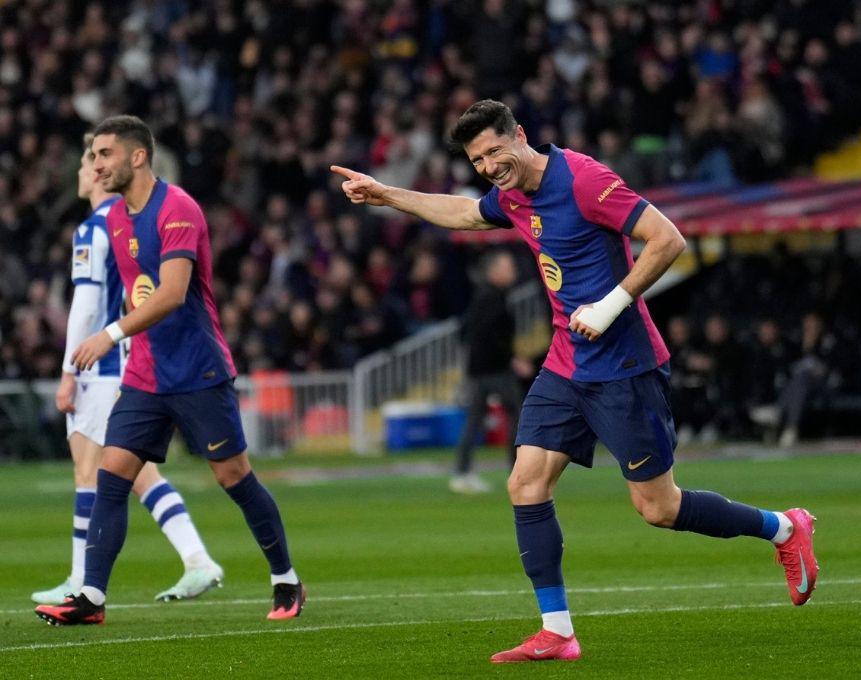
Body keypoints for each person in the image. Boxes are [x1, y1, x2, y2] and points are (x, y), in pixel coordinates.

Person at [331, 99, 819, 663]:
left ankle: (784, 529)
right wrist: (386, 194)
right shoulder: (512, 194)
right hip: (566, 364)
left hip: (624, 368)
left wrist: (610, 306)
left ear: (520, 135)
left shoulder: (584, 179)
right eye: (477, 160)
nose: (488, 166)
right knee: (525, 483)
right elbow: (464, 213)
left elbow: (667, 239)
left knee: (659, 508)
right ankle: (557, 631)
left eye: (494, 151)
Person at [34, 115, 304, 626]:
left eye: (105, 154)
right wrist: (124, 339)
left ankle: (285, 579)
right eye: (93, 157)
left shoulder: (177, 207)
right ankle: (90, 597)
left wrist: (110, 335)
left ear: (138, 156)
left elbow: (173, 293)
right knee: (112, 474)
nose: (95, 165)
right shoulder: (116, 219)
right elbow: (134, 292)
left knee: (233, 476)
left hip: (197, 370)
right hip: (145, 375)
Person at [31, 133, 224, 606]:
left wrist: (68, 370)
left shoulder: (94, 229)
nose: (84, 170)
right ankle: (195, 560)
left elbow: (86, 305)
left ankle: (83, 581)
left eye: (91, 161)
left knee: (93, 472)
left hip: (99, 365)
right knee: (130, 474)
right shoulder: (128, 224)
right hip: (128, 359)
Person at [451, 249, 531, 494]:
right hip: (494, 369)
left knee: (475, 420)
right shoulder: (491, 297)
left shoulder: (486, 295)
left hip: (480, 369)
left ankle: (462, 472)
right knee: (519, 415)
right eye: (508, 267)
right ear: (494, 271)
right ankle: (517, 471)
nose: (513, 271)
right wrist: (512, 358)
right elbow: (490, 335)